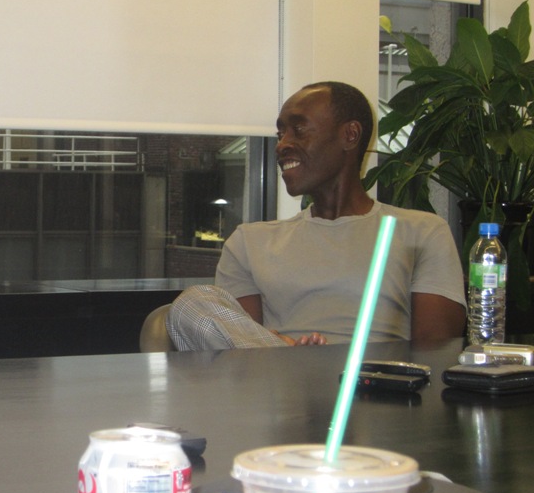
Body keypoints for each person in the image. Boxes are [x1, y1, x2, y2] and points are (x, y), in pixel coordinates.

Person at [166, 81, 467, 351]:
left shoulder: (421, 232)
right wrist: (287, 354)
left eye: (299, 129)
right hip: (278, 392)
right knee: (193, 304)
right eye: (280, 133)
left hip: (376, 390)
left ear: (350, 135)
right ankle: (289, 357)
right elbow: (239, 351)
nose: (282, 144)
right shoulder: (250, 241)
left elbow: (436, 352)